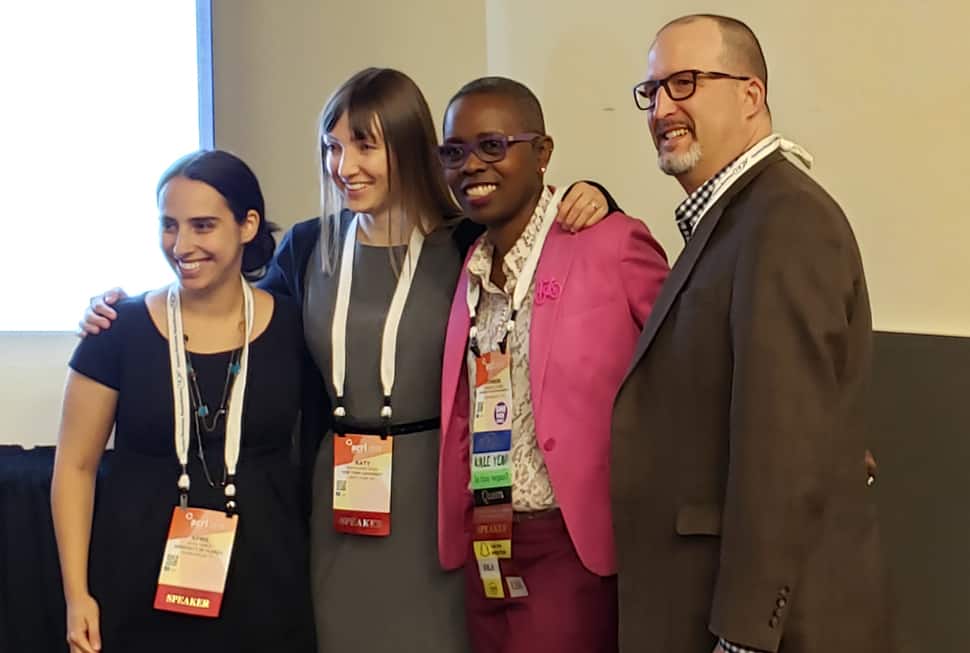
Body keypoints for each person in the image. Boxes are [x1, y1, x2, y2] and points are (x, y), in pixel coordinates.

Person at [77, 68, 616, 653]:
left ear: (408, 146)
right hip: (333, 500)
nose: (344, 165)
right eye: (332, 147)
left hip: (434, 496)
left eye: (365, 145)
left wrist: (596, 196)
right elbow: (229, 310)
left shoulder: (467, 244)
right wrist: (117, 310)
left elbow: (539, 243)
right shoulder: (308, 247)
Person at [611, 14, 893, 653]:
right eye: (651, 91)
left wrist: (741, 640)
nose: (662, 108)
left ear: (750, 96)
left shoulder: (784, 220)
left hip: (768, 630)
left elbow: (783, 452)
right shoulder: (736, 220)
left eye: (684, 83)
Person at [436, 77, 669, 653]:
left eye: (493, 145)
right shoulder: (469, 260)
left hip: (571, 543)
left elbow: (684, 359)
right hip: (486, 536)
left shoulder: (610, 242)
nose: (472, 165)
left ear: (542, 154)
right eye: (454, 152)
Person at [51, 150, 316, 653]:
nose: (182, 244)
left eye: (203, 225)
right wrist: (76, 595)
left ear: (247, 225)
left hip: (265, 590)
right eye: (169, 225)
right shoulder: (116, 330)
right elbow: (75, 468)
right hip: (139, 589)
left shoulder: (292, 326)